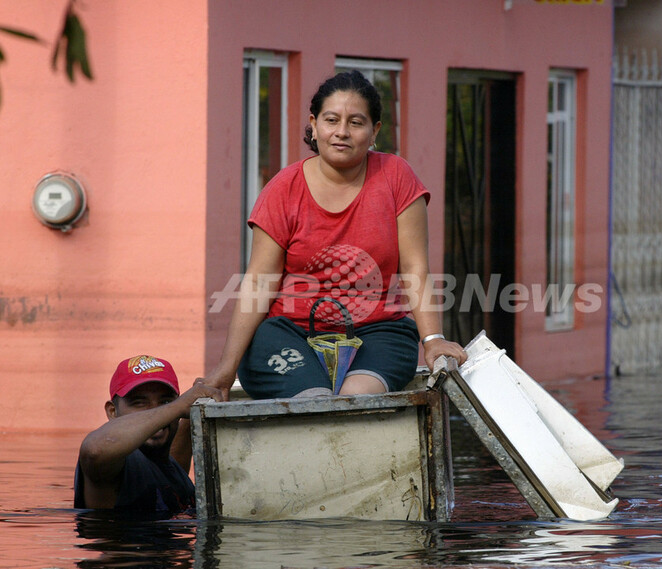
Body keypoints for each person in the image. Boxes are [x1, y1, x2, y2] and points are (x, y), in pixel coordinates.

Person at [200, 70, 466, 401]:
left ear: (374, 131)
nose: (341, 132)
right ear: (313, 124)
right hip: (288, 331)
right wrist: (225, 370)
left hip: (379, 330)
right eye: (331, 120)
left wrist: (433, 339)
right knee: (314, 403)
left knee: (355, 401)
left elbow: (415, 269)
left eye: (356, 122)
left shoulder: (396, 176)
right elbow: (258, 282)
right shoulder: (283, 189)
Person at [74, 355, 223, 513]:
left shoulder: (170, 466)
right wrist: (177, 406)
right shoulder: (113, 466)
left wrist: (191, 413)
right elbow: (94, 451)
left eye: (165, 401)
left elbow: (171, 463)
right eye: (138, 402)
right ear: (112, 412)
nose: (154, 410)